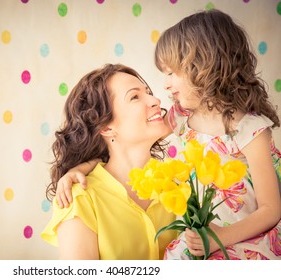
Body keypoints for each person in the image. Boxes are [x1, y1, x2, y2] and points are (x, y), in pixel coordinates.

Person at [56, 9, 281, 260]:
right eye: (135, 96)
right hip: (202, 241)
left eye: (172, 73)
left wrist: (220, 238)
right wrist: (83, 168)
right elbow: (117, 145)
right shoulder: (183, 116)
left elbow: (271, 209)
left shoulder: (250, 130)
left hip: (241, 239)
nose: (159, 93)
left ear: (203, 68)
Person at [41, 63, 176, 260]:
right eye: (135, 97)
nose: (155, 100)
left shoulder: (179, 185)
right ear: (106, 128)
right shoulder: (79, 199)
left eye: (148, 92)